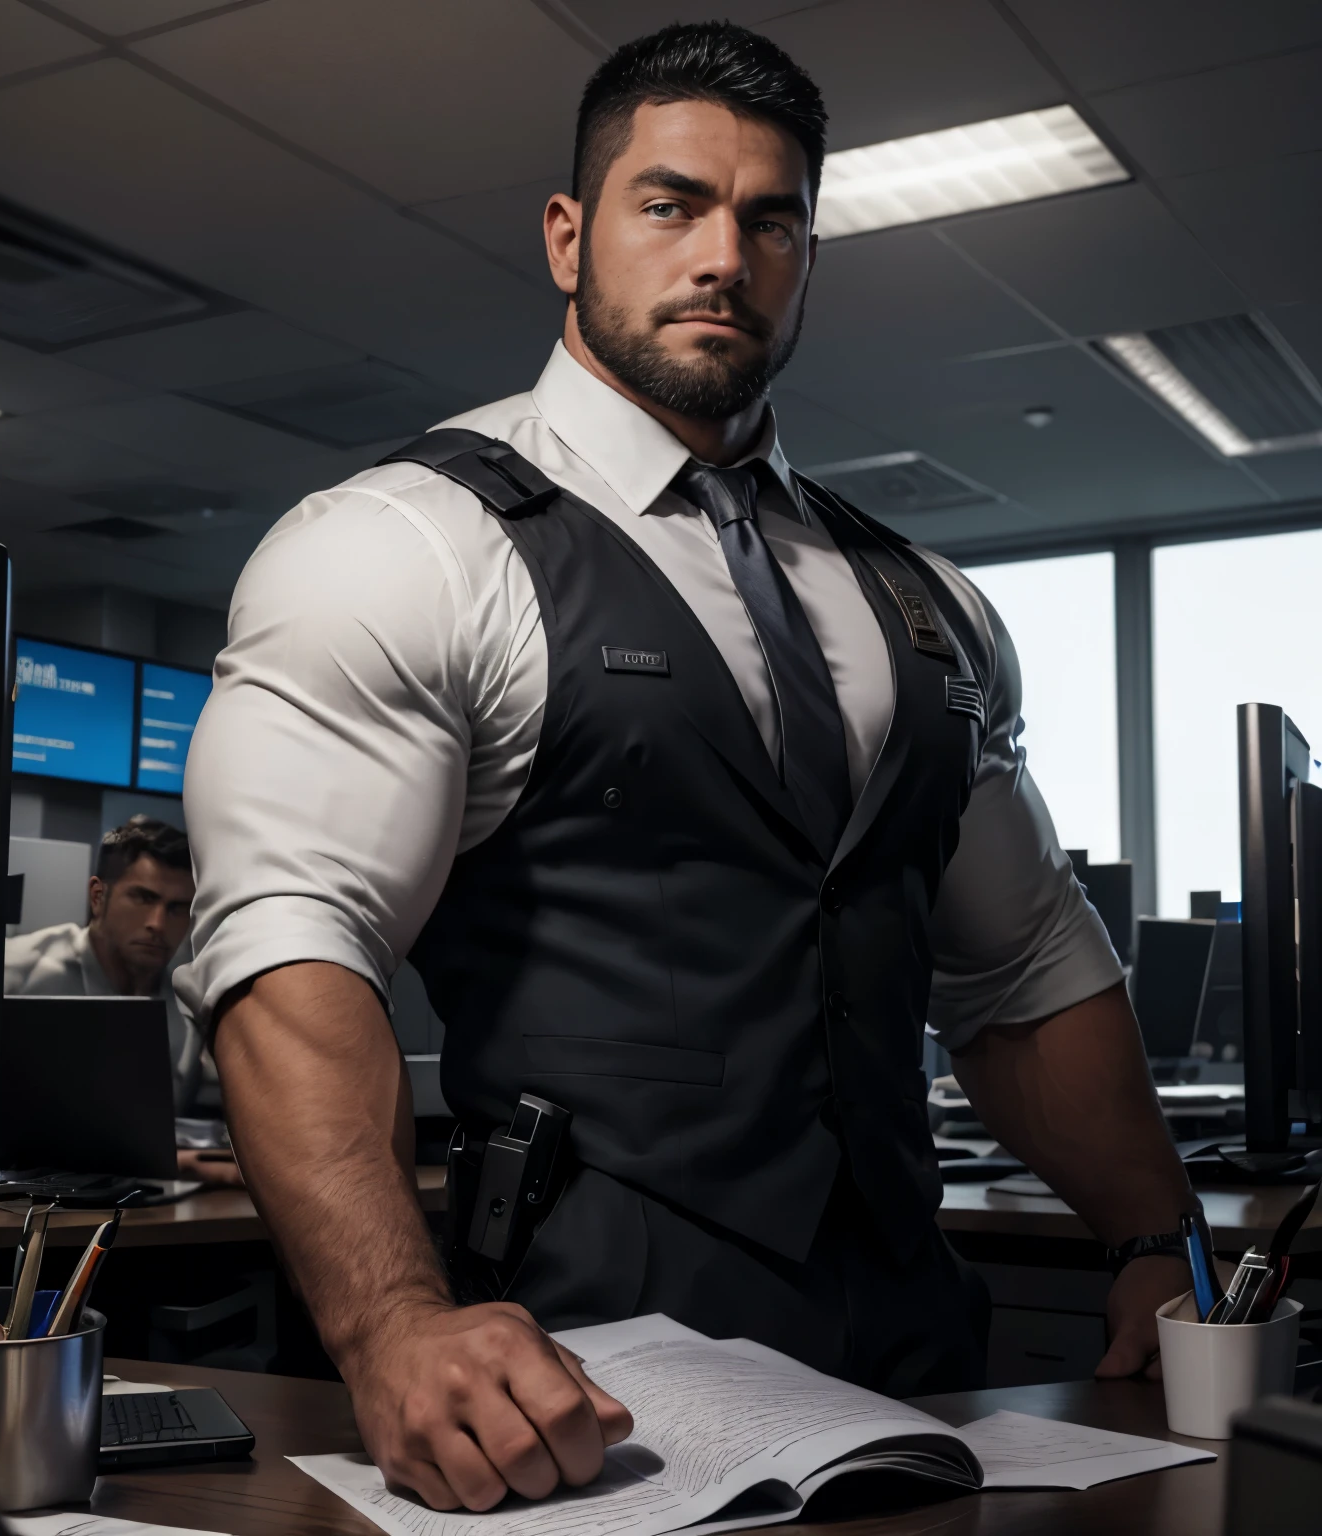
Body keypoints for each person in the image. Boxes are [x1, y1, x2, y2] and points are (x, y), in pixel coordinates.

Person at [178, 21, 1201, 1514]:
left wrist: (1156, 1243)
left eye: (771, 218)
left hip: (922, 1368)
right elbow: (290, 940)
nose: (725, 254)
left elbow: (1027, 965)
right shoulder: (406, 545)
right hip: (589, 1396)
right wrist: (392, 1323)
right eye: (671, 204)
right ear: (568, 234)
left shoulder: (925, 599)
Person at [5, 815, 236, 1183]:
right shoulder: (14, 974)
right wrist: (178, 1163)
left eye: (178, 908)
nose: (158, 924)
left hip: (146, 1214)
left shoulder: (190, 1007)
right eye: (143, 898)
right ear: (99, 896)